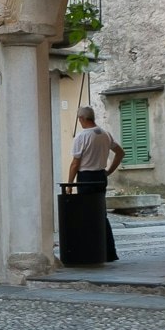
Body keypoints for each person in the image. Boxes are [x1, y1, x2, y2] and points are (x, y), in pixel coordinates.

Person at [67, 106, 125, 260]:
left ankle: (90, 252)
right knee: (101, 214)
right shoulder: (105, 134)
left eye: (79, 119)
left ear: (82, 119)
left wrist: (70, 185)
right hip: (100, 176)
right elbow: (120, 153)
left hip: (86, 178)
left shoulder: (81, 137)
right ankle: (109, 252)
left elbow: (75, 163)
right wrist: (109, 171)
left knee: (86, 215)